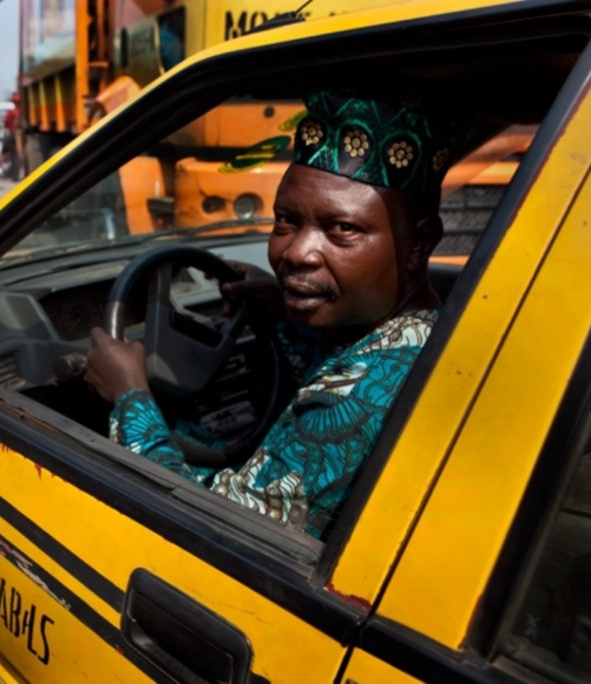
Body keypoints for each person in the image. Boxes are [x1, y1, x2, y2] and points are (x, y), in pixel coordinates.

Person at [85, 88, 467, 540]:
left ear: (419, 244)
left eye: (342, 229)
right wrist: (279, 318)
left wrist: (129, 395)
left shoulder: (347, 403)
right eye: (286, 220)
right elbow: (342, 360)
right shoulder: (422, 332)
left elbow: (210, 530)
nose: (296, 253)